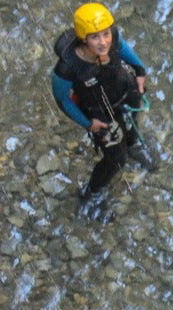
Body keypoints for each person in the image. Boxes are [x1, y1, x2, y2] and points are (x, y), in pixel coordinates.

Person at [50, 2, 158, 222]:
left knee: (130, 123)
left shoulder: (114, 39)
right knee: (115, 158)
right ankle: (92, 193)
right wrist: (88, 124)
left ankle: (134, 144)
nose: (103, 42)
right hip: (99, 113)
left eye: (105, 34)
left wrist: (139, 71)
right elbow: (63, 100)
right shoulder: (68, 67)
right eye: (95, 37)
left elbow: (126, 51)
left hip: (125, 93)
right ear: (83, 39)